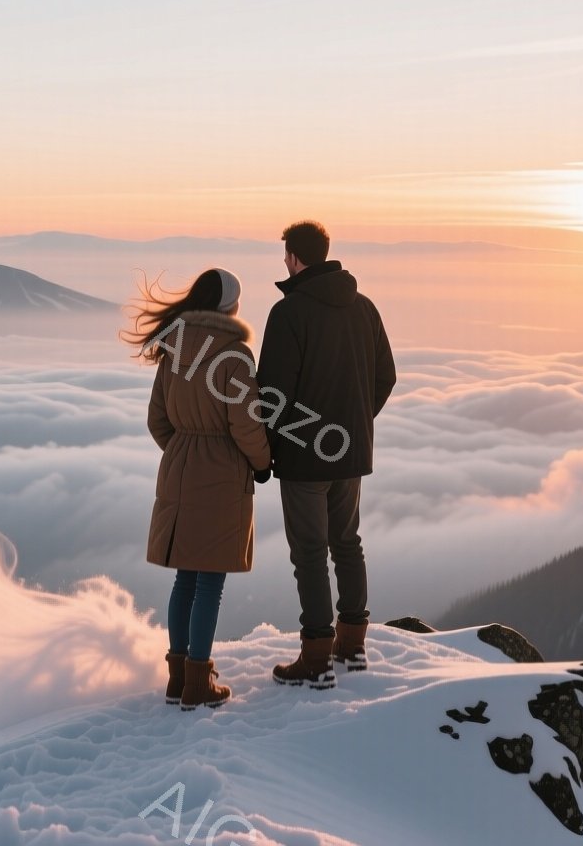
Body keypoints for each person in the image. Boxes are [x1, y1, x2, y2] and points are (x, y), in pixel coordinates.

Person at [127, 267, 273, 710]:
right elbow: (245, 424)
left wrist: (183, 452)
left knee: (185, 579)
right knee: (210, 582)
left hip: (178, 470)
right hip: (222, 476)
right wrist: (261, 463)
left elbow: (157, 419)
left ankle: (177, 678)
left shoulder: (171, 348)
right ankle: (198, 681)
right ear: (230, 306)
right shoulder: (233, 356)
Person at [257, 221, 395, 689]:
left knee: (310, 552)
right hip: (350, 453)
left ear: (295, 258)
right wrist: (354, 427)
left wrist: (270, 450)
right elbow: (386, 377)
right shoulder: (365, 308)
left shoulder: (289, 314)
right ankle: (352, 645)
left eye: (285, 257)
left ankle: (315, 657)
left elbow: (271, 396)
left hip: (303, 458)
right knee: (347, 542)